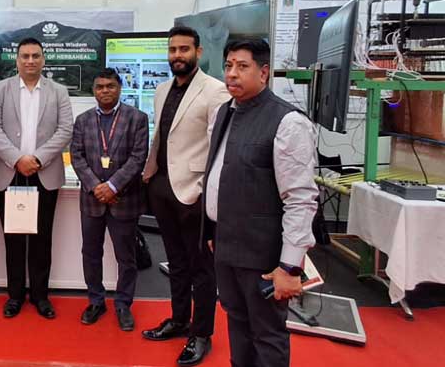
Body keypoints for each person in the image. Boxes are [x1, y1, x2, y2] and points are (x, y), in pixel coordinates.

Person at [203, 39, 318, 367]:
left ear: (264, 72)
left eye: (242, 66)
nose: (231, 74)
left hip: (263, 256)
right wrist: (212, 230)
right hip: (226, 244)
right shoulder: (224, 112)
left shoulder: (287, 122)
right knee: (237, 322)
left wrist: (290, 266)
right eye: (228, 66)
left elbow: (300, 199)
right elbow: (220, 175)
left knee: (267, 333)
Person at [141, 26, 229, 366]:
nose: (177, 55)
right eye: (173, 50)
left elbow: (218, 147)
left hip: (194, 192)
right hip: (162, 186)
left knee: (201, 268)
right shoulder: (162, 89)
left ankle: (201, 333)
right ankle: (179, 320)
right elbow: (162, 137)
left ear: (198, 52)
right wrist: (150, 176)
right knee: (176, 262)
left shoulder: (215, 90)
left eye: (184, 49)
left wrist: (204, 190)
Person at [0, 37, 73, 319]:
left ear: (43, 59)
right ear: (17, 60)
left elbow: (65, 130)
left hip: (44, 173)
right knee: (12, 237)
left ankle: (40, 296)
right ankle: (14, 295)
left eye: (35, 56)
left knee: (42, 237)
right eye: (25, 56)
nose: (30, 61)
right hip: (9, 172)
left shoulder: (58, 91)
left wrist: (36, 159)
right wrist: (17, 159)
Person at [70, 68, 149, 332]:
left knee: (126, 257)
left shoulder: (137, 118)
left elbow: (138, 158)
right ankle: (96, 301)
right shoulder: (82, 120)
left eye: (110, 86)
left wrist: (113, 186)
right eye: (100, 87)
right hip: (92, 201)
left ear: (119, 88)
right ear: (94, 90)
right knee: (91, 253)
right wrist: (97, 187)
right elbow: (77, 156)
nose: (105, 91)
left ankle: (123, 304)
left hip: (124, 200)